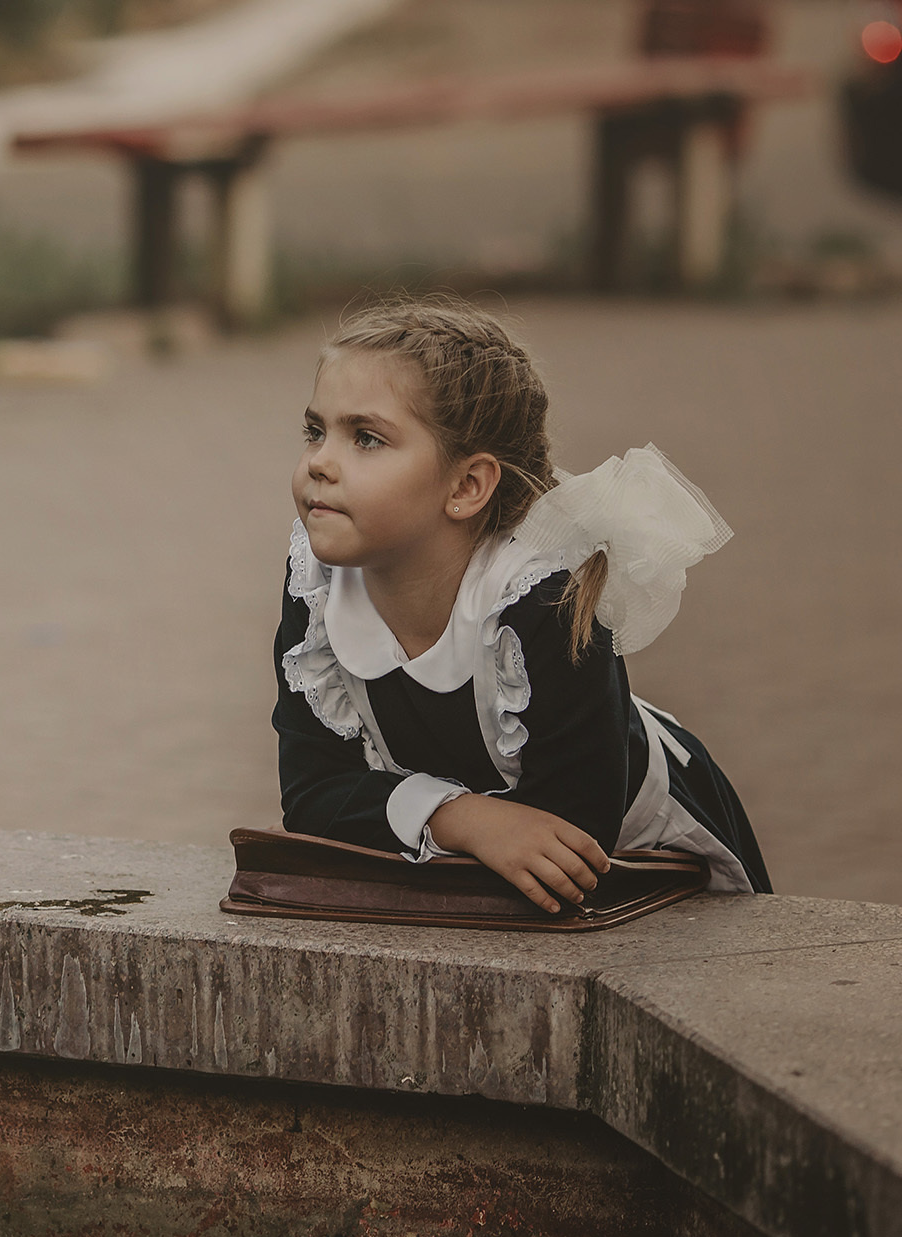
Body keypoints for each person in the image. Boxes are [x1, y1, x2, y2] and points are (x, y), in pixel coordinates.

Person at [272, 296, 769, 911]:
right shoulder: (318, 583)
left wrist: (412, 812)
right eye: (315, 431)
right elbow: (311, 793)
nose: (319, 462)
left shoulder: (544, 599)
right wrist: (463, 819)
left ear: (466, 486)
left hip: (648, 853)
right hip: (477, 853)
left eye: (367, 438)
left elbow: (573, 832)